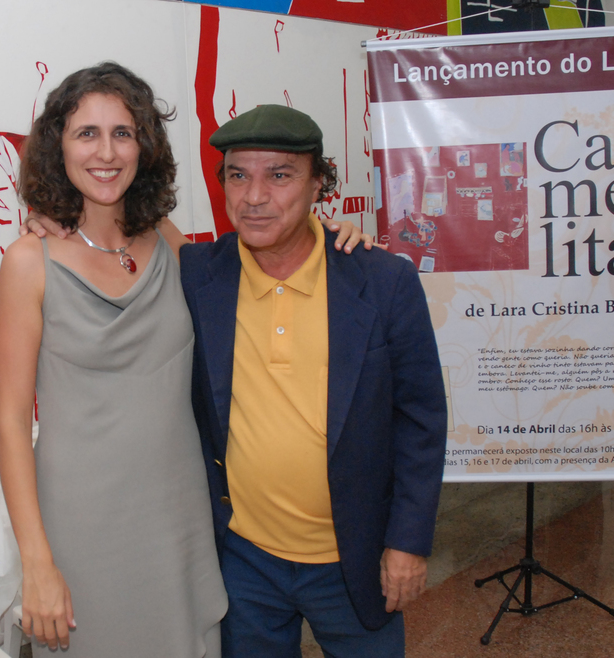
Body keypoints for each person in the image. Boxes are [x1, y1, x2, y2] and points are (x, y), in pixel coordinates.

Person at [179, 104, 448, 657]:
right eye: (238, 175)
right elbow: (119, 239)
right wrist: (50, 223)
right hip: (245, 561)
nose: (254, 196)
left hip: (354, 560)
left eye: (280, 175)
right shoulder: (199, 274)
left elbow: (420, 421)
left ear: (318, 183)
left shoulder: (381, 280)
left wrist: (407, 543)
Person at [0, 62, 230, 657]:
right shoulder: (29, 262)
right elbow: (12, 424)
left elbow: (251, 284)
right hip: (83, 527)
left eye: (122, 133)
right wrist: (37, 563)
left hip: (179, 515)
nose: (106, 152)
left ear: (144, 146)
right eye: (86, 133)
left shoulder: (166, 240)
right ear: (58, 147)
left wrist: (335, 244)